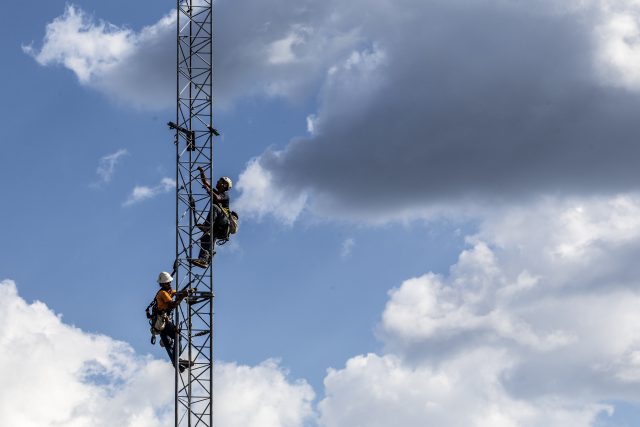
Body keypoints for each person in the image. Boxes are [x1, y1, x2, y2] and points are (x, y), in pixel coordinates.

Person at [190, 167, 233, 268]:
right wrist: (202, 172)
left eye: (220, 181)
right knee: (206, 236)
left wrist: (209, 191)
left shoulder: (225, 195)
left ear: (225, 185)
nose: (217, 182)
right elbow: (206, 182)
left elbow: (217, 199)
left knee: (214, 206)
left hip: (223, 223)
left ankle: (207, 226)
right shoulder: (217, 192)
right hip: (217, 227)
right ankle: (204, 259)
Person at [154, 271, 193, 372]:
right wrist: (183, 296)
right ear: (162, 284)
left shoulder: (169, 291)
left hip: (163, 321)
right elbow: (174, 304)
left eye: (169, 282)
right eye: (167, 283)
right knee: (177, 335)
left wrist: (187, 291)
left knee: (168, 344)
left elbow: (177, 292)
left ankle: (177, 363)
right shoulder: (163, 293)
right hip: (163, 321)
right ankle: (177, 361)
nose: (169, 284)